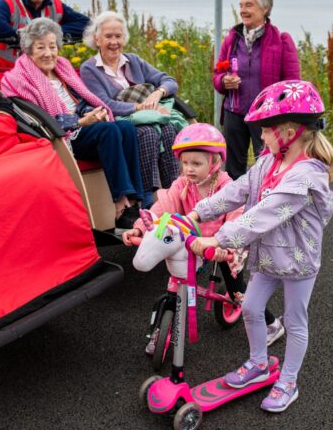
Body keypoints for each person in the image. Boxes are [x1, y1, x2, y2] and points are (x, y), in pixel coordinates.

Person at [189, 80, 333, 413]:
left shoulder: (306, 176)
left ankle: (288, 380)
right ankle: (258, 363)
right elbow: (238, 190)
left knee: (295, 321)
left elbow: (263, 215)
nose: (262, 136)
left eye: (266, 130)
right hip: (270, 255)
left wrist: (219, 238)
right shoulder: (268, 163)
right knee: (252, 308)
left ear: (288, 132)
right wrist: (198, 212)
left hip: (298, 260)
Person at [121, 123, 283, 354]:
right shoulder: (182, 185)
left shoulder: (226, 186)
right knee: (175, 287)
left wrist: (224, 246)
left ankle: (271, 324)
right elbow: (162, 209)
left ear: (214, 162)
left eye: (196, 163)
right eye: (185, 163)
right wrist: (139, 229)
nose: (189, 169)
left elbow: (235, 219)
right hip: (190, 246)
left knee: (240, 293)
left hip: (222, 246)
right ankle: (161, 331)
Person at [0, 17, 143, 228]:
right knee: (108, 131)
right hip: (61, 136)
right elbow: (39, 120)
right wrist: (80, 121)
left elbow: (81, 100)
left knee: (125, 127)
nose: (48, 53)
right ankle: (121, 205)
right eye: (40, 47)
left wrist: (94, 112)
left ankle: (136, 201)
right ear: (29, 50)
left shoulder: (63, 68)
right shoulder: (19, 79)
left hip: (83, 128)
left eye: (52, 46)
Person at [80, 11, 180, 206]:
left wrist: (157, 93)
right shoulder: (89, 68)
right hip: (120, 120)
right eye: (108, 36)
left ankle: (172, 193)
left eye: (118, 36)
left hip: (149, 115)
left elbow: (169, 81)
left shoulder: (133, 61)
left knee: (169, 130)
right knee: (147, 133)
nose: (114, 42)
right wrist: (140, 107)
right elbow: (104, 103)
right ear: (97, 39)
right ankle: (146, 198)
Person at [213, 0, 300, 180]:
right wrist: (223, 81)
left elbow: (293, 85)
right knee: (233, 170)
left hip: (267, 116)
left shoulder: (281, 40)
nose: (243, 10)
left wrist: (283, 116)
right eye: (241, 5)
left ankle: (266, 205)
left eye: (249, 5)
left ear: (265, 9)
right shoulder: (232, 39)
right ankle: (235, 210)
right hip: (234, 113)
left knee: (269, 166)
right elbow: (217, 76)